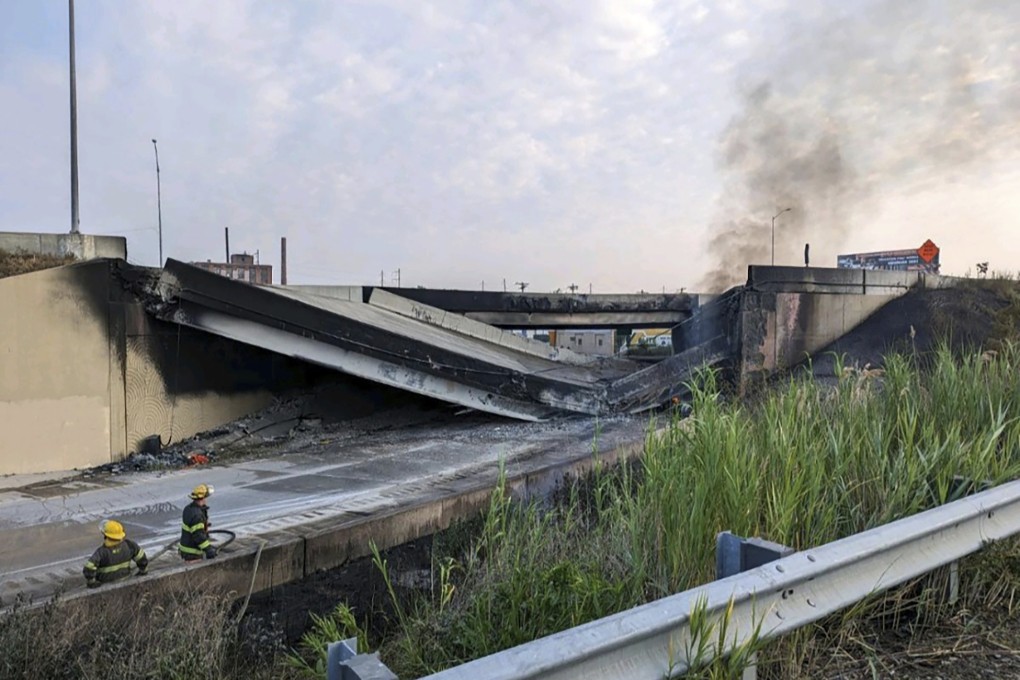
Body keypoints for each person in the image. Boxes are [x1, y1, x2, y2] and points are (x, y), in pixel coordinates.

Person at [83, 519, 149, 588]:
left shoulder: (101, 552)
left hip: (105, 583)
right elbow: (142, 559)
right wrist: (143, 571)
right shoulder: (129, 545)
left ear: (106, 536)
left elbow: (89, 568)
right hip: (126, 578)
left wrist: (92, 582)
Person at [180, 483, 217, 561]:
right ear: (203, 498)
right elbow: (198, 536)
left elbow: (194, 527)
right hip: (192, 552)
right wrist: (208, 549)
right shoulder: (197, 516)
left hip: (185, 547)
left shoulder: (188, 508)